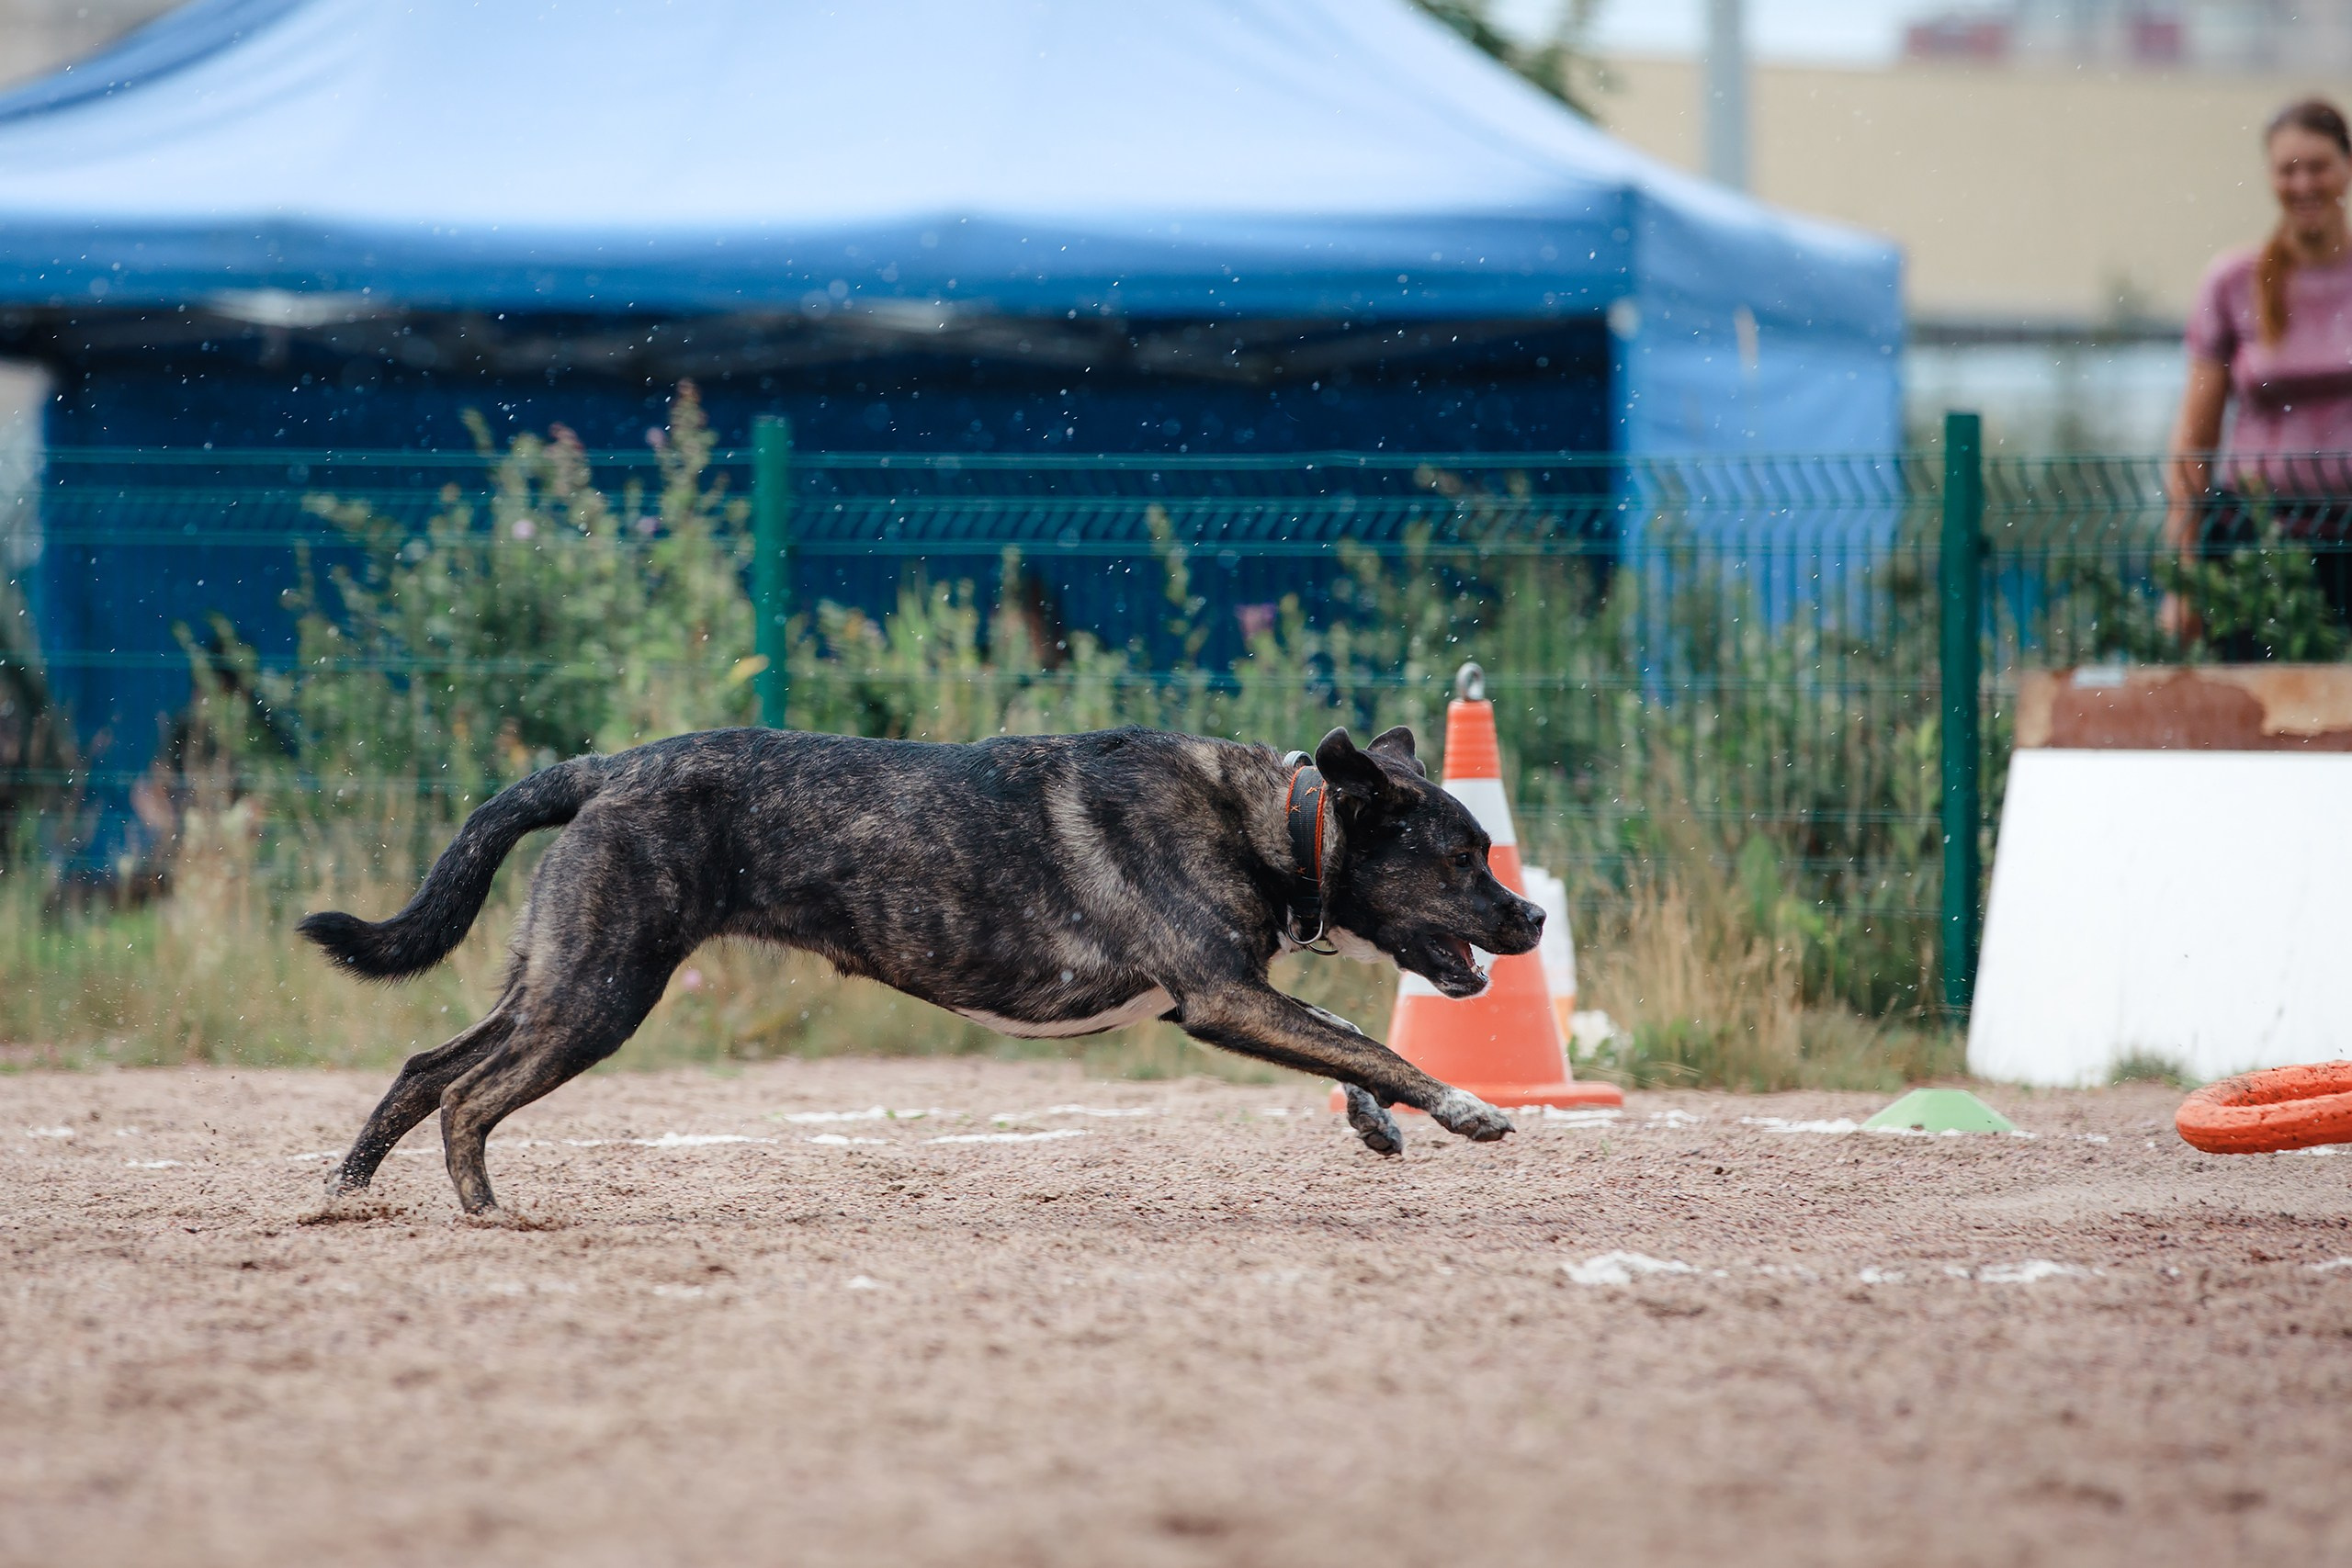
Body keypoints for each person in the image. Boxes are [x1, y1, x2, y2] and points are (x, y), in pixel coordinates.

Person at [2165, 97, 2352, 649]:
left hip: (2351, 531)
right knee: (2255, 717)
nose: (2304, 184)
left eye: (2317, 166)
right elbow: (2196, 436)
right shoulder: (2231, 283)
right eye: (2287, 170)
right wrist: (2184, 570)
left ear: (2346, 167)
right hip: (2256, 535)